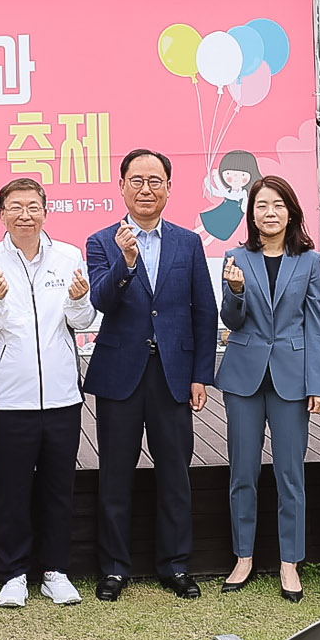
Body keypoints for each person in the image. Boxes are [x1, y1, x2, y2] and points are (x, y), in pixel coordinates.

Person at [85, 147, 220, 601]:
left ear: (168, 188)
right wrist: (125, 263)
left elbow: (204, 311)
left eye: (155, 181)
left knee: (175, 475)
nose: (146, 189)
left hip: (175, 374)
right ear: (121, 186)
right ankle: (115, 568)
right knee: (115, 475)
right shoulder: (102, 241)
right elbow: (101, 302)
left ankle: (176, 565)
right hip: (120, 374)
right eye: (137, 180)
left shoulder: (188, 242)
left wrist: (201, 373)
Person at [0, 176, 95, 608]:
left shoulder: (68, 256)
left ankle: (56, 571)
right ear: (1, 213)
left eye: (32, 206)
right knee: (14, 490)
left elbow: (81, 320)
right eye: (15, 207)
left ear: (45, 210)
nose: (25, 214)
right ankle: (14, 573)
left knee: (60, 488)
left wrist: (79, 300)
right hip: (11, 398)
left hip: (61, 396)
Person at [216, 175, 320, 600]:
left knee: (290, 474)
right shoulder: (235, 259)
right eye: (261, 205)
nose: (269, 213)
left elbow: (318, 327)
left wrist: (317, 383)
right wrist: (236, 291)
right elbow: (231, 320)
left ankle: (290, 562)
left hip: (292, 378)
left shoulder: (310, 262)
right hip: (244, 377)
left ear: (291, 212)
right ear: (252, 214)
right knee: (241, 472)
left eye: (278, 205)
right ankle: (243, 556)